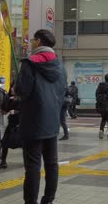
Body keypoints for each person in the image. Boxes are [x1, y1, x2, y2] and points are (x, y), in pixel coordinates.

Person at [15, 29, 67, 204]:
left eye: (33, 40)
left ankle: (31, 201)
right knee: (52, 163)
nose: (31, 42)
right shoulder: (60, 65)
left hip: (33, 121)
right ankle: (48, 199)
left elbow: (23, 91)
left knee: (33, 166)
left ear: (38, 42)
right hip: (52, 122)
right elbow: (62, 91)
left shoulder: (29, 63)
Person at [0, 83, 22, 170]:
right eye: (11, 88)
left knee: (23, 143)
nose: (12, 89)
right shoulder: (10, 98)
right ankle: (3, 162)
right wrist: (9, 101)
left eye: (14, 88)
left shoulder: (23, 99)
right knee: (5, 142)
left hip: (20, 124)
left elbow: (27, 111)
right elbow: (5, 110)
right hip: (11, 124)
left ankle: (28, 160)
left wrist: (16, 111)